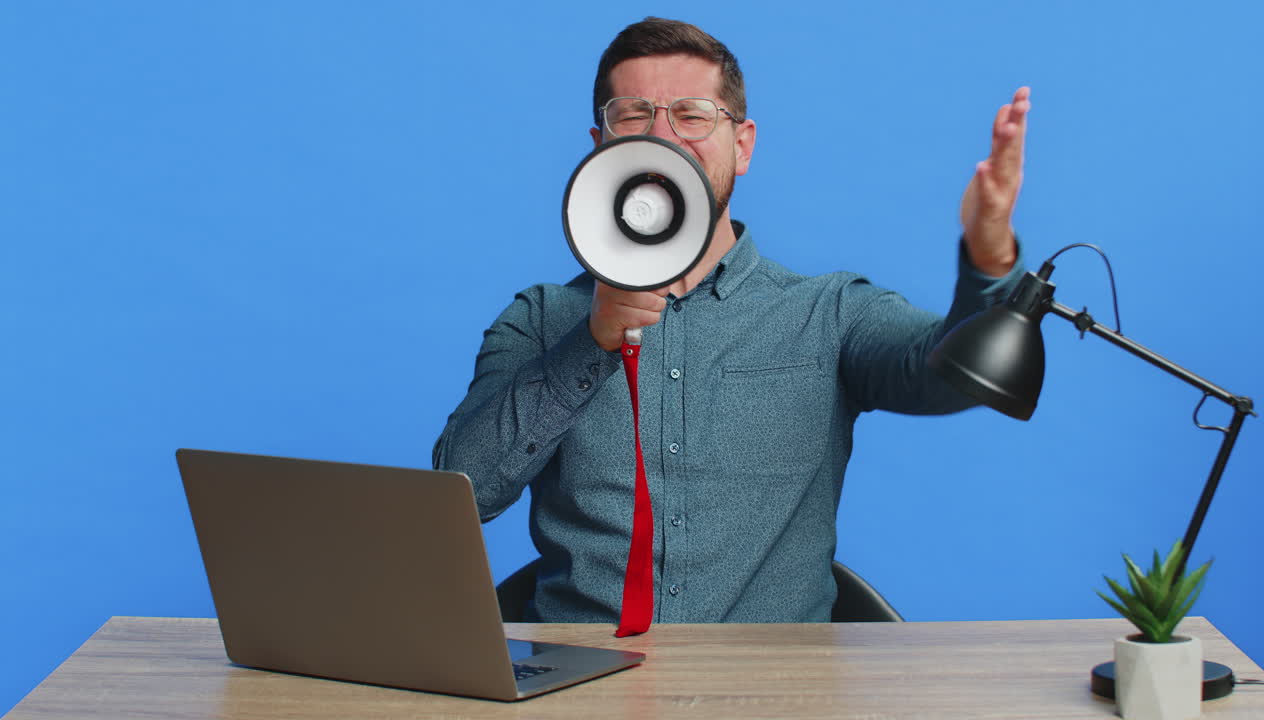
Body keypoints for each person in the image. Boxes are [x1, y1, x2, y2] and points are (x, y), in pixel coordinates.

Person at [433, 17, 1029, 623]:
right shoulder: (540, 318)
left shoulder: (828, 313)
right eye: (635, 115)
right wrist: (591, 341)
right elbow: (463, 490)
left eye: (692, 115)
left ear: (741, 146)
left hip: (771, 693)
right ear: (600, 142)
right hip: (582, 688)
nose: (663, 137)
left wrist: (988, 257)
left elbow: (950, 375)